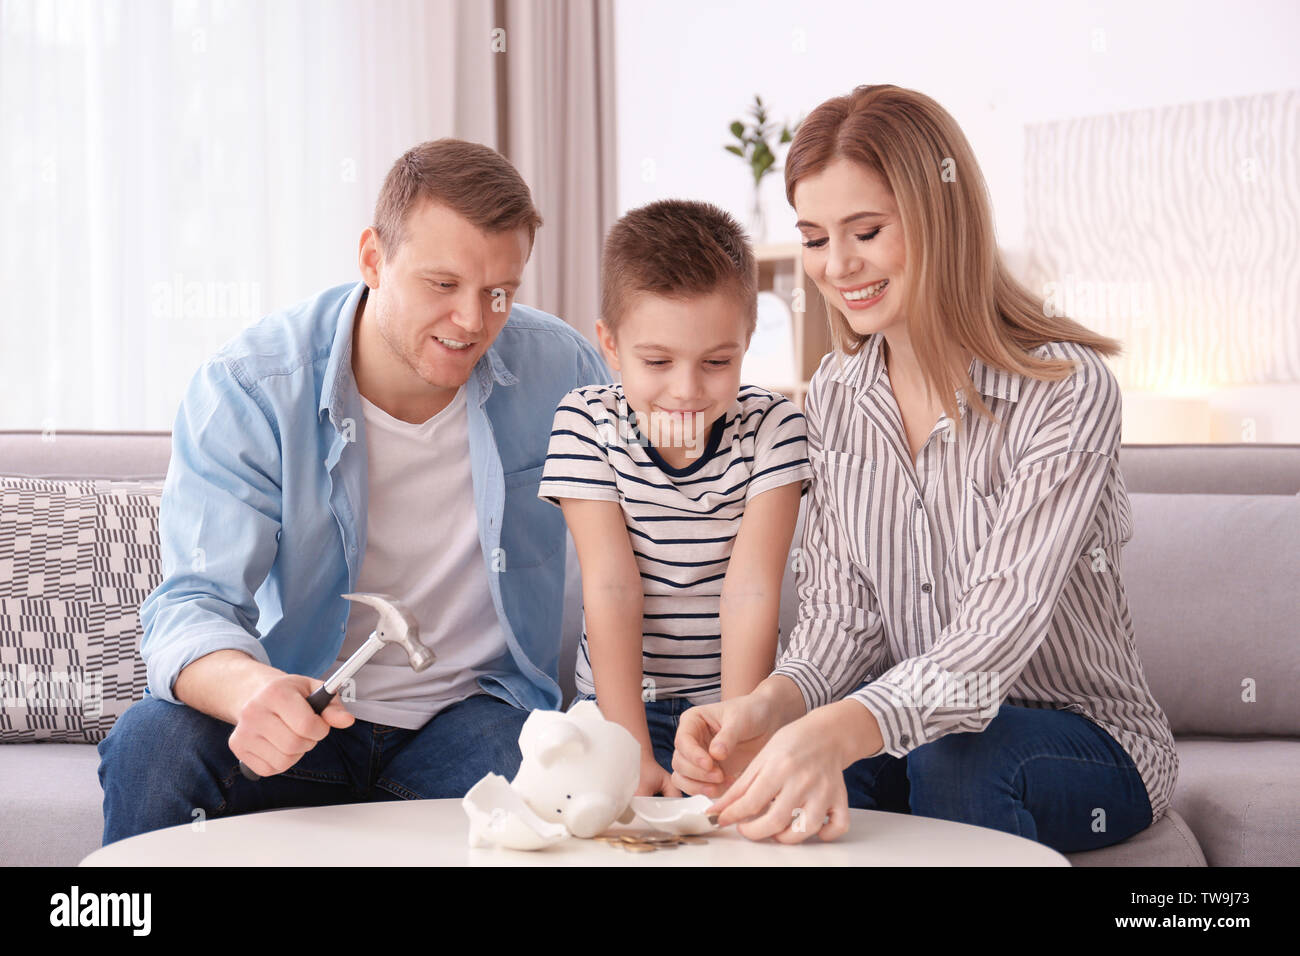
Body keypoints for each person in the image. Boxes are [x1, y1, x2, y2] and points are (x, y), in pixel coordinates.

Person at [670, 85, 1179, 854]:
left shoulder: (1065, 392)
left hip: (1082, 740)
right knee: (774, 783)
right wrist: (772, 707)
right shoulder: (838, 396)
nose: (837, 266)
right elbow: (842, 620)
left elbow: (991, 641)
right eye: (813, 238)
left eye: (866, 231)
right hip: (908, 729)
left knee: (956, 759)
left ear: (940, 217)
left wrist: (837, 728)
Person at [96, 139, 609, 844]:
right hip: (304, 708)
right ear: (373, 258)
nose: (472, 320)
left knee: (558, 781)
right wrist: (256, 692)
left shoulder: (561, 370)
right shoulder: (251, 387)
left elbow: (650, 515)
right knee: (152, 744)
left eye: (499, 292)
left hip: (472, 717)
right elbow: (192, 605)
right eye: (442, 284)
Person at [536, 199, 813, 797]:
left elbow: (752, 589)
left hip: (739, 707)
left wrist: (731, 740)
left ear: (747, 340)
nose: (687, 390)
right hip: (617, 708)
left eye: (717, 361)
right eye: (657, 361)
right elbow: (610, 585)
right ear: (610, 345)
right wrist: (627, 748)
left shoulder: (776, 428)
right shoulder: (586, 421)